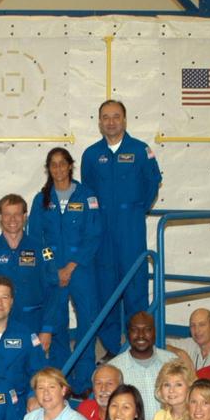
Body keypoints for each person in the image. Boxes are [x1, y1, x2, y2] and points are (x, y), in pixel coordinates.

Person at [80, 100, 162, 351]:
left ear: (125, 120)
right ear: (99, 122)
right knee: (106, 290)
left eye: (116, 116)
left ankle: (139, 348)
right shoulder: (92, 155)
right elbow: (88, 192)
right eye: (106, 117)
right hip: (102, 233)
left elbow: (152, 183)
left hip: (130, 231)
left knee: (135, 287)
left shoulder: (140, 150)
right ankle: (114, 350)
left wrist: (136, 210)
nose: (111, 122)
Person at [30, 150, 104, 393]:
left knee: (87, 322)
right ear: (48, 169)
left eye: (63, 164)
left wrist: (71, 266)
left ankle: (83, 381)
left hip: (81, 268)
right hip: (53, 271)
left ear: (70, 166)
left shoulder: (87, 196)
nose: (59, 169)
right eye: (54, 165)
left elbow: (94, 235)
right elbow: (37, 241)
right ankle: (60, 379)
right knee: (56, 322)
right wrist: (53, 267)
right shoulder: (42, 199)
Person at [0, 193, 51, 338]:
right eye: (7, 214)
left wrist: (47, 329)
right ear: (0, 217)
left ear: (25, 216)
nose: (12, 219)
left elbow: (53, 292)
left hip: (34, 324)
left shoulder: (41, 250)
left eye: (17, 214)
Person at [109, 311, 187, 420]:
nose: (141, 335)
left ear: (155, 333)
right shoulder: (114, 368)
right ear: (128, 334)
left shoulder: (172, 361)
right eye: (135, 330)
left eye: (147, 329)